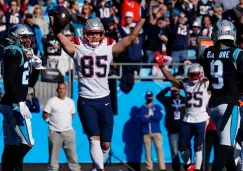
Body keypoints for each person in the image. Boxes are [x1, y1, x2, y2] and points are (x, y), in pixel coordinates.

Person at [48, 4, 150, 171]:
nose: (94, 37)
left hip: (104, 99)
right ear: (85, 34)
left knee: (106, 144)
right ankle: (100, 169)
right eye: (91, 33)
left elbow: (131, 37)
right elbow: (60, 37)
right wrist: (54, 23)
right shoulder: (77, 46)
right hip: (86, 101)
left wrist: (143, 18)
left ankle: (96, 168)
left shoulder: (109, 46)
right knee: (93, 138)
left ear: (102, 34)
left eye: (97, 33)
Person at [154, 52, 211, 171]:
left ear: (201, 74)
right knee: (182, 146)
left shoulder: (207, 84)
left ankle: (197, 168)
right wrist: (161, 65)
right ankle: (189, 164)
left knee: (197, 146)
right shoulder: (186, 83)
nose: (193, 77)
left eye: (195, 74)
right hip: (188, 118)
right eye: (191, 74)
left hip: (201, 118)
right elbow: (170, 78)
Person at [199, 19, 243, 171]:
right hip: (229, 105)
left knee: (227, 147)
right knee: (226, 146)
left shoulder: (206, 52)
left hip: (214, 105)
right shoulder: (237, 53)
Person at [0, 24, 45, 171]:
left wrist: (37, 69)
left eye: (29, 37)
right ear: (15, 37)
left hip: (10, 102)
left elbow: (29, 83)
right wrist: (19, 102)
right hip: (14, 103)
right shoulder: (14, 51)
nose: (28, 40)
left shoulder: (19, 52)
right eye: (24, 37)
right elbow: (8, 81)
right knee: (28, 142)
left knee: (12, 145)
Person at [43, 82, 81, 171]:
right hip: (55, 133)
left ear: (66, 90)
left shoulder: (70, 102)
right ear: (57, 90)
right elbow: (45, 115)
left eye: (63, 88)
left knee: (73, 157)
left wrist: (65, 124)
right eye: (60, 88)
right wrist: (51, 123)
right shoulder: (52, 101)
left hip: (69, 133)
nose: (61, 90)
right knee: (53, 158)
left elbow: (72, 114)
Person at [156, 86, 186, 171]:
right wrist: (168, 88)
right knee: (174, 151)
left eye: (177, 90)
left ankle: (188, 168)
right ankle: (176, 169)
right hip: (173, 131)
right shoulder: (167, 100)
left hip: (184, 130)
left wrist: (183, 87)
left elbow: (191, 95)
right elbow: (158, 96)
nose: (176, 92)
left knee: (185, 151)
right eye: (174, 91)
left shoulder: (185, 100)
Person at [139, 91, 167, 171]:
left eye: (150, 96)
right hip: (146, 132)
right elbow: (142, 119)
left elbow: (159, 117)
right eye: (148, 96)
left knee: (159, 149)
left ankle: (162, 168)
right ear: (145, 97)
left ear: (153, 97)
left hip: (156, 132)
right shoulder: (142, 108)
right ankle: (149, 168)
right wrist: (153, 117)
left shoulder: (157, 107)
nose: (149, 98)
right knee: (147, 151)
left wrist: (149, 116)